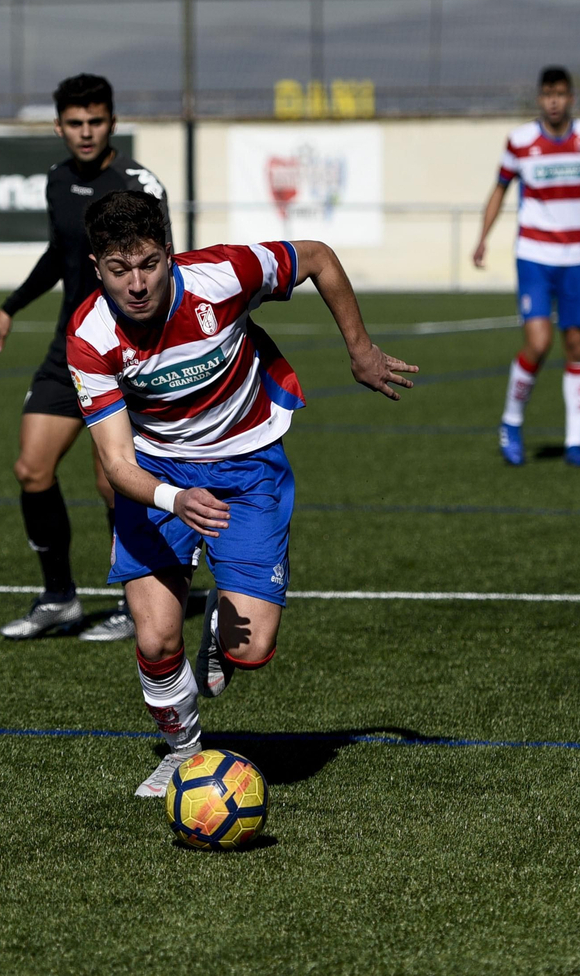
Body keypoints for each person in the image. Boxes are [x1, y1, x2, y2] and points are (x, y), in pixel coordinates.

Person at [65, 191, 416, 796]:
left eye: (149, 263)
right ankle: (184, 752)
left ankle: (223, 630)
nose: (138, 284)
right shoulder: (90, 335)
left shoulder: (224, 275)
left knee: (249, 649)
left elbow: (320, 259)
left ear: (170, 255)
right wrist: (175, 499)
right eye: (119, 270)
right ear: (97, 268)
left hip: (248, 464)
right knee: (153, 638)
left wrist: (359, 349)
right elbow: (117, 464)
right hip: (158, 476)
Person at [0, 73, 171, 643]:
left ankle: (131, 599)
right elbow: (58, 254)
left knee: (114, 481)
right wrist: (10, 307)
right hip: (69, 347)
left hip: (126, 353)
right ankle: (60, 598)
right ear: (60, 125)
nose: (85, 132)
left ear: (111, 122)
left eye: (95, 121)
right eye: (74, 123)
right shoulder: (58, 180)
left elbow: (164, 268)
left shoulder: (140, 184)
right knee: (31, 469)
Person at [473, 65, 580, 468]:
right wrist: (483, 237)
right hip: (535, 256)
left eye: (560, 93)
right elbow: (499, 190)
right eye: (547, 94)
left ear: (571, 97)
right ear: (539, 98)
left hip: (578, 258)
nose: (553, 101)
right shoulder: (520, 142)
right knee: (539, 342)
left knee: (577, 345)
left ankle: (575, 441)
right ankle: (512, 421)